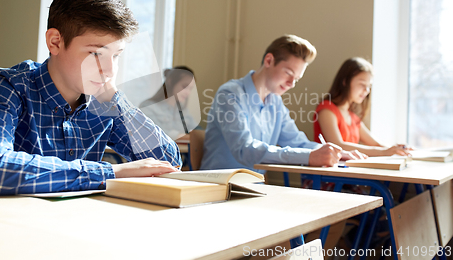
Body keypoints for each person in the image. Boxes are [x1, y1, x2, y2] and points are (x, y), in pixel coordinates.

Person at [0, 0, 180, 196]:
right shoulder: (5, 85)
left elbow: (169, 162)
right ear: (55, 42)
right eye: (96, 53)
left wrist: (117, 101)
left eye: (116, 55)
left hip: (59, 225)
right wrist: (112, 172)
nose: (110, 70)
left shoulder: (104, 101)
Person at [199, 35, 365, 172]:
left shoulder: (275, 102)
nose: (292, 83)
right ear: (269, 61)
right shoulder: (230, 94)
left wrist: (339, 153)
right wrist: (309, 157)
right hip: (217, 190)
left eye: (297, 79)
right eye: (288, 73)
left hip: (253, 189)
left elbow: (298, 142)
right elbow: (244, 149)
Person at [314, 57, 411, 156]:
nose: (367, 90)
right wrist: (384, 152)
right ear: (345, 82)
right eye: (362, 84)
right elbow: (338, 145)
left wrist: (398, 149)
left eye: (369, 86)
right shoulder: (326, 109)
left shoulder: (353, 117)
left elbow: (376, 144)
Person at [139, 66, 199, 141]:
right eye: (184, 87)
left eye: (190, 89)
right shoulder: (148, 107)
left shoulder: (183, 110)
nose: (188, 93)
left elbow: (197, 130)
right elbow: (153, 134)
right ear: (170, 82)